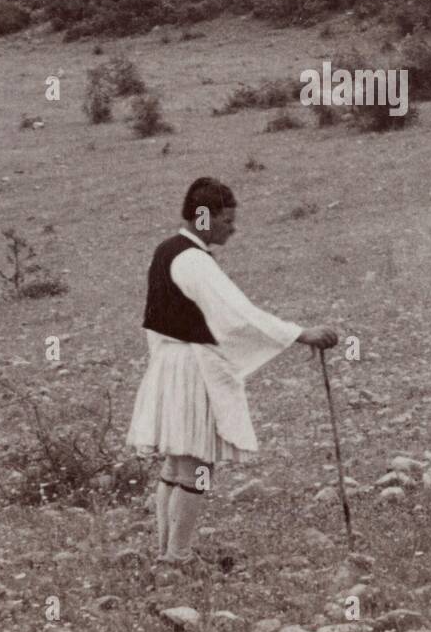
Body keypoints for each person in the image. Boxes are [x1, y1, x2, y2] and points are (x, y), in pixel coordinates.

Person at [126, 176, 339, 566]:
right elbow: (239, 316)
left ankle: (166, 552)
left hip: (170, 364)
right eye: (226, 220)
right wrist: (300, 334)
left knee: (176, 464)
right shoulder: (192, 261)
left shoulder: (166, 251)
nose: (233, 228)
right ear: (204, 217)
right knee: (197, 464)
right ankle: (178, 556)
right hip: (191, 368)